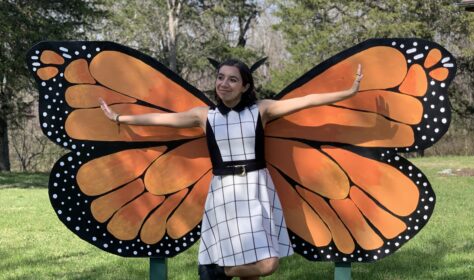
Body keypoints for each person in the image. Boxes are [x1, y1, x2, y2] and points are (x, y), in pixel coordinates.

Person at [100, 59, 363, 280]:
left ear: (245, 86)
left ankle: (219, 272)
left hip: (256, 189)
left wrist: (348, 92)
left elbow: (306, 101)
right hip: (224, 195)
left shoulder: (262, 110)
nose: (224, 84)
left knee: (266, 263)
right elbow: (161, 120)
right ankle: (221, 269)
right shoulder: (204, 116)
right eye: (220, 77)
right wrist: (120, 118)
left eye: (232, 80)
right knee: (248, 262)